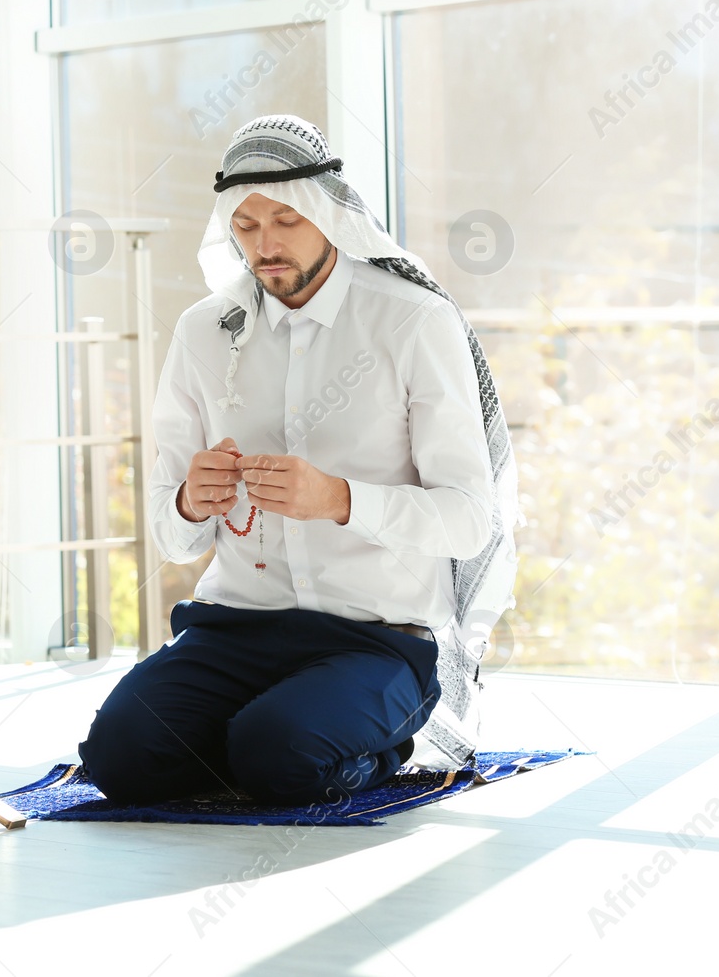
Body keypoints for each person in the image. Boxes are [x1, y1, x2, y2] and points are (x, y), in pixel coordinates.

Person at [77, 114, 520, 807]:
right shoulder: (204, 333)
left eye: (285, 219)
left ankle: (348, 742)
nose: (265, 244)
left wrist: (340, 499)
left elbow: (470, 520)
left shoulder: (414, 323)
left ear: (329, 211)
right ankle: (254, 741)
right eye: (247, 226)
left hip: (376, 640)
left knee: (279, 754)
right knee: (118, 756)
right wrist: (192, 500)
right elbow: (173, 535)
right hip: (233, 631)